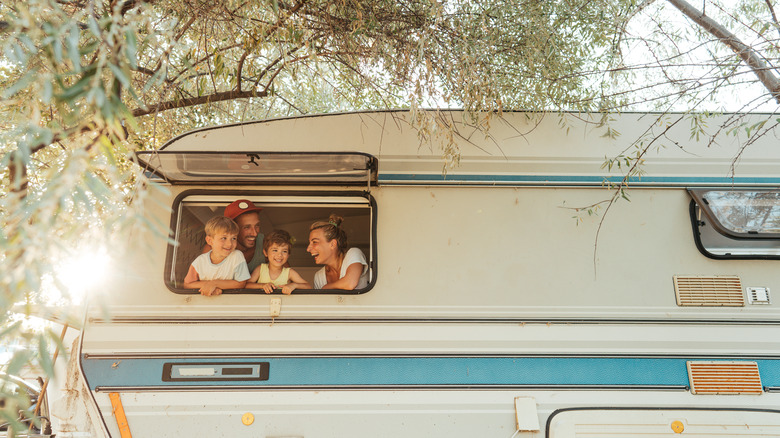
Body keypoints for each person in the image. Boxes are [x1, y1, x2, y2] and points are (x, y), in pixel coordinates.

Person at [184, 216, 250, 296]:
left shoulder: (237, 256)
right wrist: (211, 286)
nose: (229, 244)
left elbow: (241, 283)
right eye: (224, 238)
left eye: (233, 238)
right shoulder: (200, 261)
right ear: (210, 241)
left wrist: (215, 283)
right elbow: (187, 284)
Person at [307, 214, 369, 290]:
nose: (308, 249)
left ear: (332, 244)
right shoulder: (319, 276)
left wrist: (325, 288)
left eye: (314, 242)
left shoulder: (353, 254)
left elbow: (350, 283)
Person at [203, 199, 265, 272]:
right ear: (232, 229)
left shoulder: (265, 244)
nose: (254, 233)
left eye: (257, 226)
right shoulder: (212, 249)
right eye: (247, 227)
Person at [247, 230, 312, 294]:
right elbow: (247, 285)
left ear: (288, 255)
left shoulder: (289, 272)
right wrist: (262, 285)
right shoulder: (260, 269)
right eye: (275, 250)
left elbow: (308, 287)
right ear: (265, 253)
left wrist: (294, 285)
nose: (279, 255)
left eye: (284, 251)